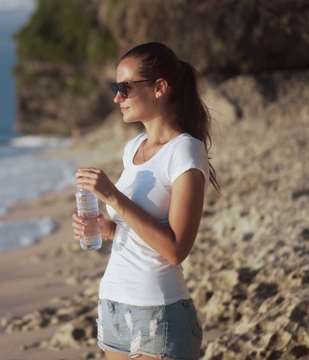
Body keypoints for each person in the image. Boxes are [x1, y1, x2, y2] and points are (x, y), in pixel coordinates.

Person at [72, 42, 219, 360]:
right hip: (113, 306)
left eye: (124, 87)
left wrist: (112, 195)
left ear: (160, 87)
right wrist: (107, 228)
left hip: (158, 313)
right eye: (115, 87)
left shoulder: (185, 151)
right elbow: (138, 228)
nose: (117, 97)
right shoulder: (134, 147)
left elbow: (176, 249)